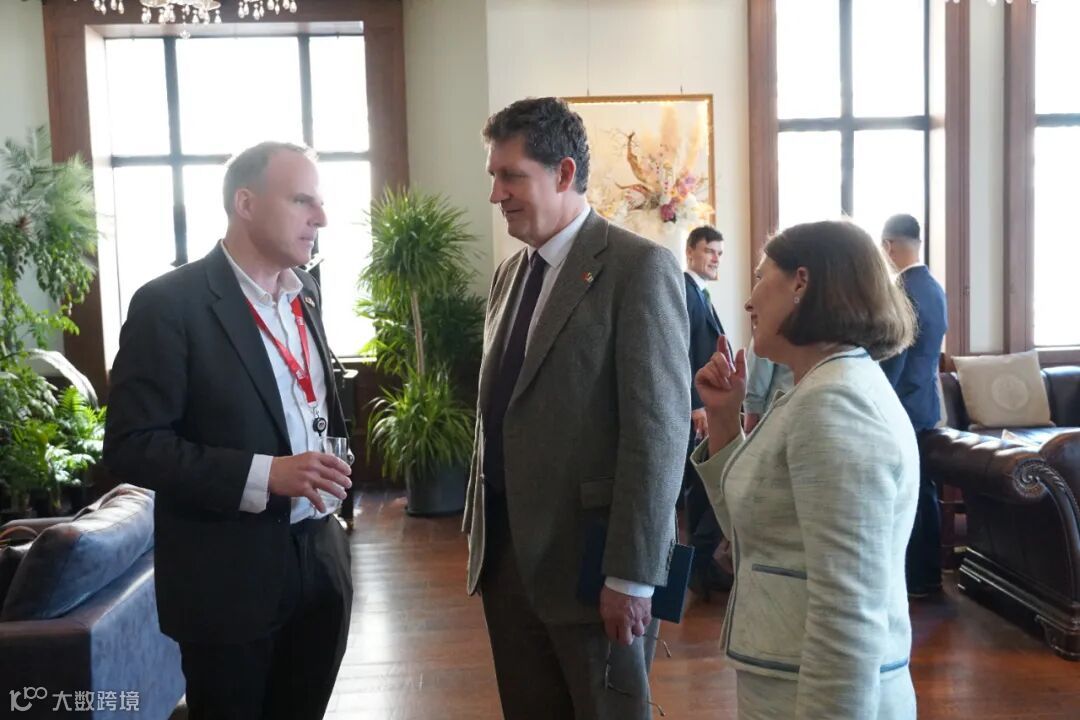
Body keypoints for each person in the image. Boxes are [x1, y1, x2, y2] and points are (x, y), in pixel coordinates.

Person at [104, 142, 354, 720]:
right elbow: (132, 446)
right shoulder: (169, 305)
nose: (321, 217)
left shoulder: (306, 293)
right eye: (303, 201)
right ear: (245, 203)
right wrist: (266, 475)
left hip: (320, 557)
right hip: (226, 576)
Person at [464, 97, 690, 720]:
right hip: (507, 561)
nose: (496, 194)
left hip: (595, 570)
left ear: (563, 173)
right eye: (494, 176)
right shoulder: (510, 275)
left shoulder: (638, 268)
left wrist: (632, 575)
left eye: (511, 176)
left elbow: (658, 433)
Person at [691, 220, 919, 719]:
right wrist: (725, 418)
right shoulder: (819, 387)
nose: (748, 301)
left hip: (809, 694)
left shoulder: (834, 402)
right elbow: (755, 530)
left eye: (759, 277)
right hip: (785, 680)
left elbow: (848, 612)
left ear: (801, 282)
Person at [879, 213, 949, 598]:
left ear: (889, 246)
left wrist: (877, 399)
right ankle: (929, 575)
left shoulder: (902, 292)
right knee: (924, 490)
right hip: (925, 404)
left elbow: (896, 356)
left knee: (909, 494)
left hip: (902, 405)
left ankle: (916, 577)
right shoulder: (934, 287)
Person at [681, 225, 733, 598]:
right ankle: (697, 569)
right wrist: (695, 404)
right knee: (699, 489)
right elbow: (681, 351)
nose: (716, 259)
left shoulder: (701, 293)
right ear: (690, 252)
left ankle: (701, 570)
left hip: (705, 408)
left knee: (702, 491)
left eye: (719, 253)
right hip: (695, 410)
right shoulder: (686, 292)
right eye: (709, 251)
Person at [742, 338, 794, 433]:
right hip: (804, 415)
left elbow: (761, 355)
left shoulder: (770, 331)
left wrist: (751, 412)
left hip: (777, 421)